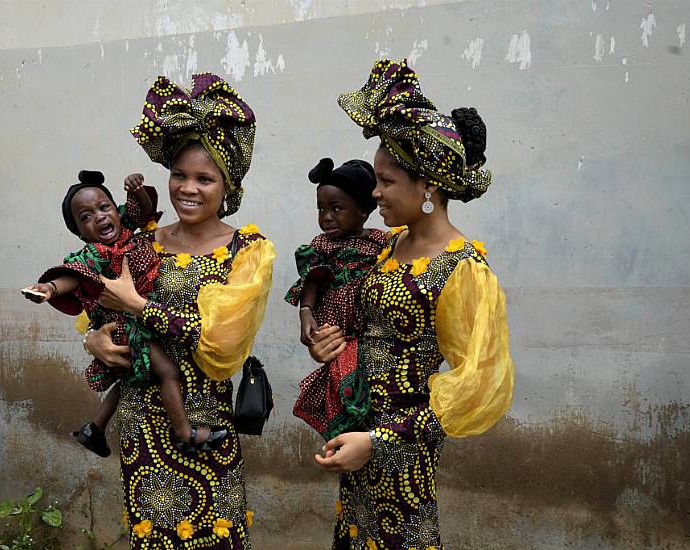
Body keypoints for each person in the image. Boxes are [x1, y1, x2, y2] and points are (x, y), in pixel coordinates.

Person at [307, 59, 514, 549]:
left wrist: (379, 442)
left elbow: (475, 386)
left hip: (404, 452)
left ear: (428, 187)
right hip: (355, 434)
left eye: (386, 180)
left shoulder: (463, 269)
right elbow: (361, 328)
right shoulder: (386, 247)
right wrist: (329, 344)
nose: (374, 192)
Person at [84, 73, 275, 548]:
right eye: (179, 175)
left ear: (227, 184)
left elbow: (222, 342)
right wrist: (96, 337)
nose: (188, 189)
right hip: (140, 421)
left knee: (217, 533)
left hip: (207, 420)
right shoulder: (142, 242)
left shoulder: (247, 250)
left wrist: (139, 305)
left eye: (204, 179)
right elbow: (101, 307)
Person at [23, 170, 227, 457]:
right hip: (127, 325)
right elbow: (74, 277)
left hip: (140, 319)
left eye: (104, 207)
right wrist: (50, 289)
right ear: (79, 233)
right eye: (86, 217)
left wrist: (137, 189)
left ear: (116, 210)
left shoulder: (127, 229)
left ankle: (95, 427)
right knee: (167, 372)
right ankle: (184, 432)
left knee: (131, 378)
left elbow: (143, 209)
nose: (99, 216)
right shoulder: (94, 254)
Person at [285, 157, 386, 440]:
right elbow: (312, 279)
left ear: (364, 211)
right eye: (321, 209)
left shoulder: (381, 243)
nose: (326, 217)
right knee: (342, 388)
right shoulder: (321, 245)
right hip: (337, 336)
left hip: (367, 335)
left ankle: (361, 439)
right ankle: (345, 438)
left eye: (336, 208)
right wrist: (306, 311)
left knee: (365, 393)